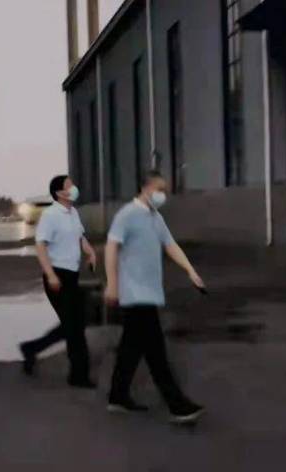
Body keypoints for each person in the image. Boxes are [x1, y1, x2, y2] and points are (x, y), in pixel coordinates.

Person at [104, 171, 205, 423]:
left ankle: (117, 396)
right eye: (159, 189)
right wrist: (112, 284)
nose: (163, 195)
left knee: (131, 348)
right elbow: (111, 248)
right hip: (134, 293)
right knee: (155, 350)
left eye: (165, 191)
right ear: (145, 188)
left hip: (150, 292)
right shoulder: (127, 214)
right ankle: (177, 405)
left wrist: (190, 270)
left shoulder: (155, 217)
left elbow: (170, 245)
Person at [19, 175, 97, 388]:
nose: (74, 188)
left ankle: (31, 348)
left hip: (72, 276)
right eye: (69, 186)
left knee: (73, 324)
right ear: (59, 193)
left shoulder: (73, 213)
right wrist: (51, 274)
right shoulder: (50, 215)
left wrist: (90, 252)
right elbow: (40, 245)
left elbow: (80, 236)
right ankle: (78, 376)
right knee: (75, 329)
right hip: (57, 277)